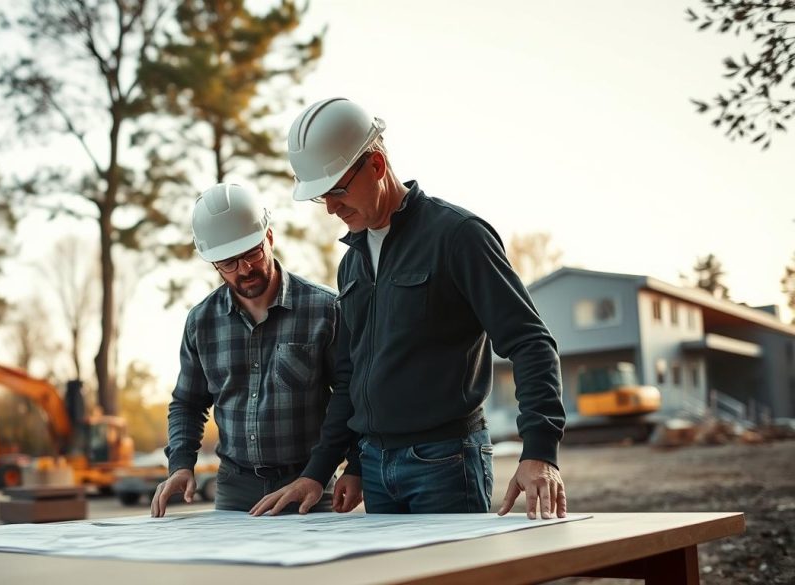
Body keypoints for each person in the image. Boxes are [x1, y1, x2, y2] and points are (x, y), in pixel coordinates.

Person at [251, 98, 567, 518]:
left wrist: (540, 451)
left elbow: (531, 343)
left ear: (377, 165)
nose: (331, 208)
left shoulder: (458, 237)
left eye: (338, 190)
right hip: (377, 469)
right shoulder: (353, 263)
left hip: (445, 464)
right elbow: (351, 377)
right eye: (321, 197)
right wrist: (332, 468)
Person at [152, 182, 362, 517]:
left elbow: (353, 393)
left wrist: (354, 466)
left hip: (309, 484)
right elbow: (187, 403)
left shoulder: (325, 309)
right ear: (213, 264)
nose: (245, 269)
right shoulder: (201, 322)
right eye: (229, 263)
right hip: (235, 490)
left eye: (252, 253)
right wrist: (180, 464)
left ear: (269, 238)